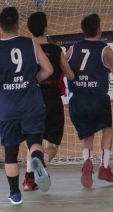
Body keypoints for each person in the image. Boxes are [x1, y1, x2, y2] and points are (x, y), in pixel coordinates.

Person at [0, 6, 54, 205]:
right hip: (32, 103)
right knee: (34, 141)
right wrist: (33, 80)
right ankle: (37, 159)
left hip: (8, 107)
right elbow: (48, 69)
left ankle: (15, 194)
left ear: (0, 26)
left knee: (10, 152)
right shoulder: (31, 43)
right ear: (18, 24)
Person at [66, 13, 113, 188]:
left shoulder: (73, 48)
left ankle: (87, 162)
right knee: (107, 130)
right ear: (99, 30)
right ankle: (104, 167)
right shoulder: (105, 49)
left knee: (88, 135)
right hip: (97, 98)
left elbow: (62, 64)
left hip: (77, 100)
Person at [22, 11, 74, 191]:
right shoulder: (56, 50)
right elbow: (70, 75)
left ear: (29, 29)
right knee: (52, 146)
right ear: (46, 28)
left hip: (32, 101)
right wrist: (65, 59)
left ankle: (28, 180)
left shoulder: (27, 50)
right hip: (52, 101)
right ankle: (39, 165)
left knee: (33, 143)